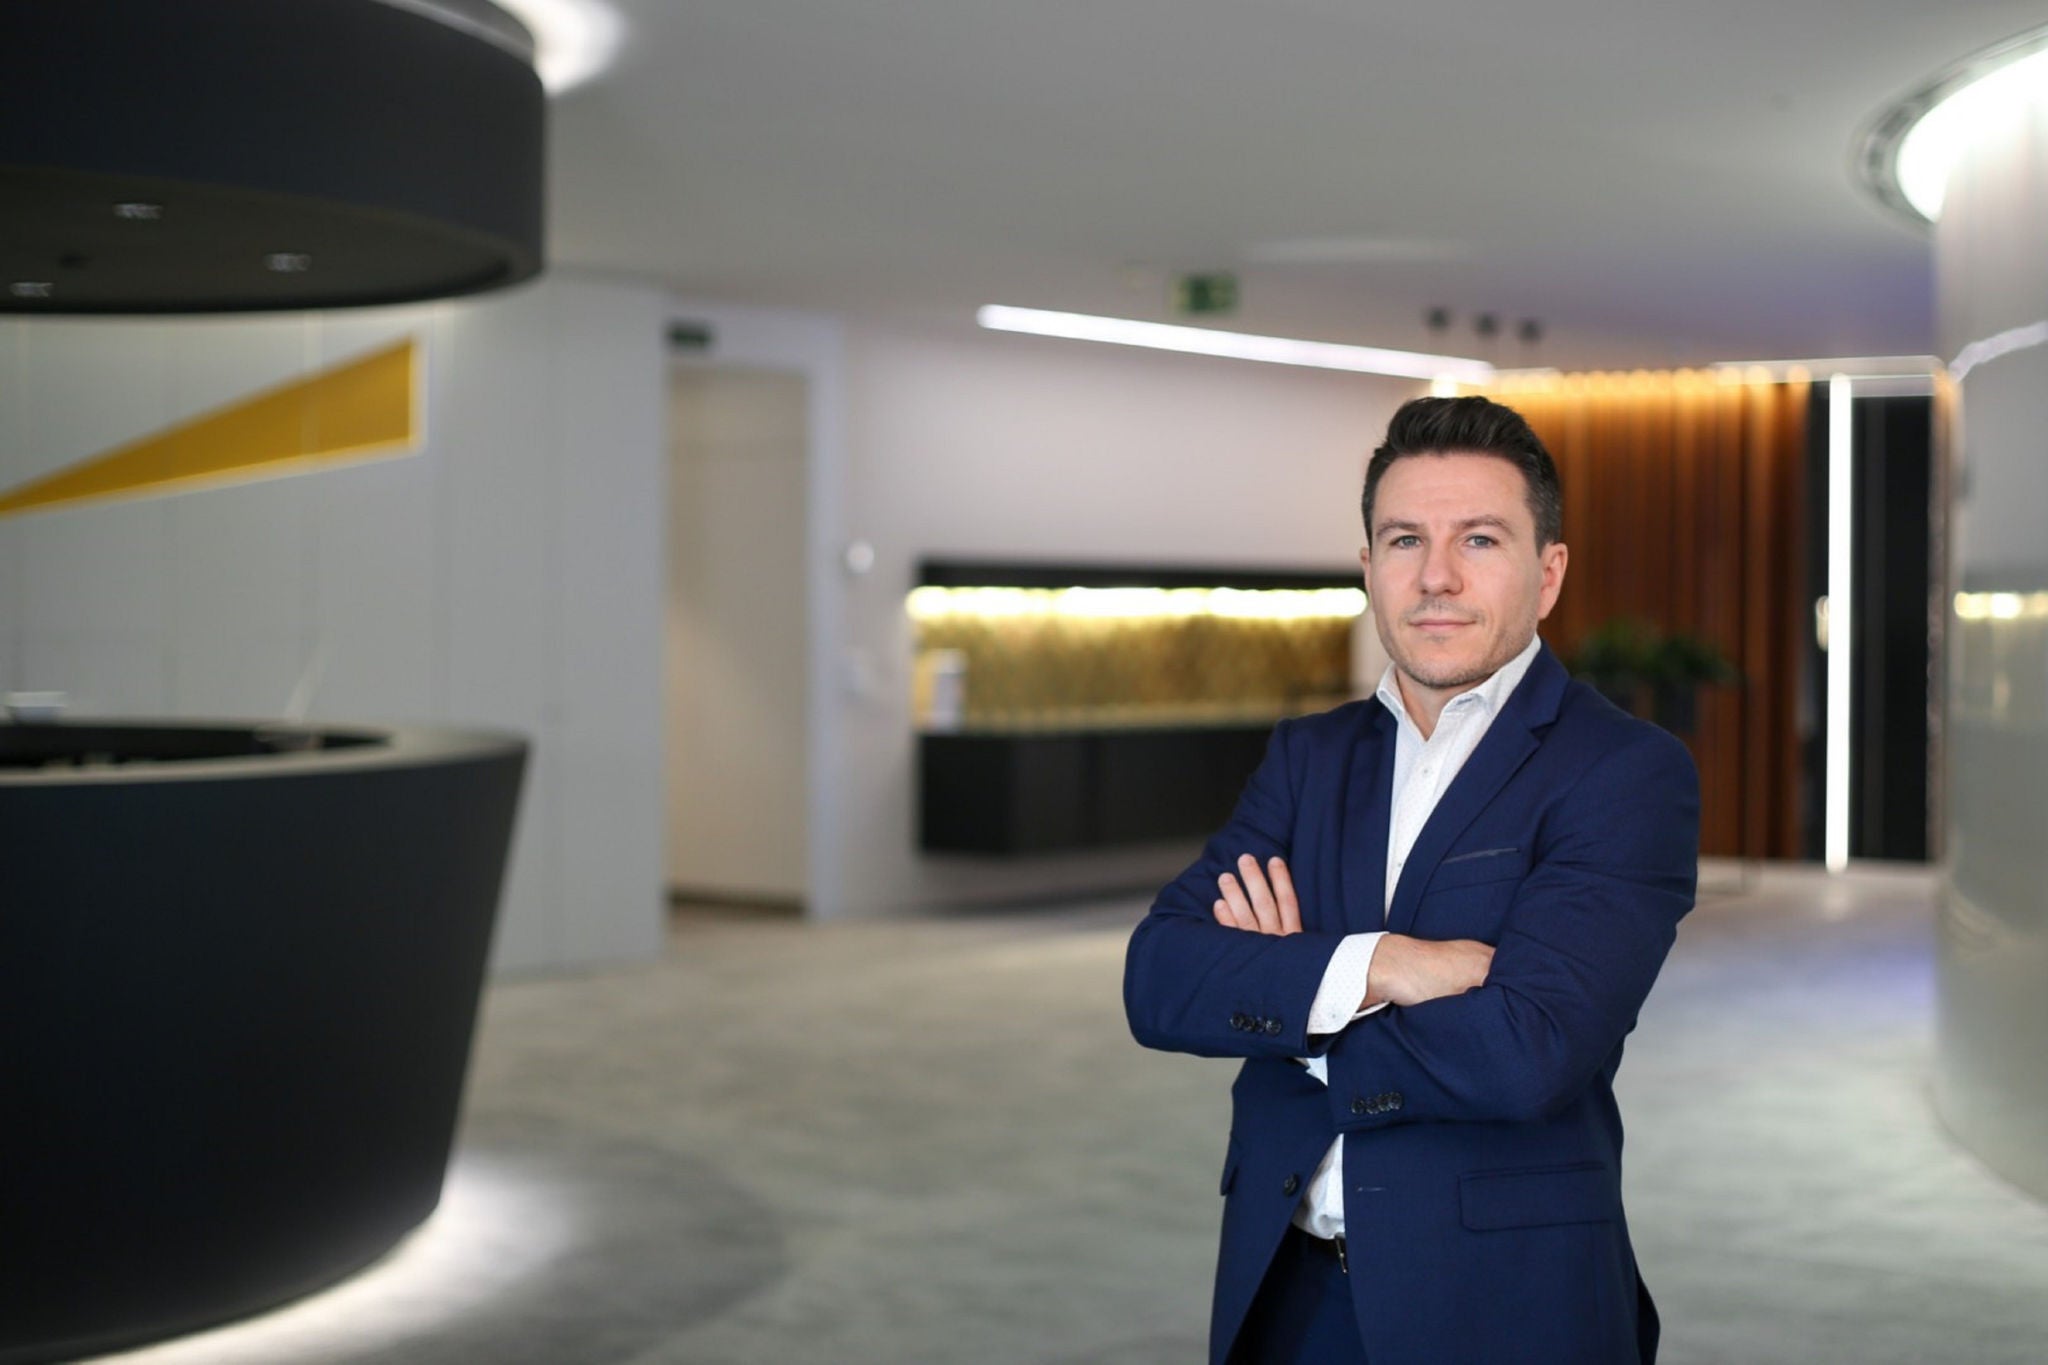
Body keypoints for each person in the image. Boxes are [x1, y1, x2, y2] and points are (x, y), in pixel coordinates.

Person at [1124, 395, 1699, 1365]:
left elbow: (1529, 1047)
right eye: (1404, 541)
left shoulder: (1621, 770)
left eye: (1478, 539)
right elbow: (1160, 977)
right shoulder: (1309, 758)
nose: (1435, 576)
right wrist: (1380, 964)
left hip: (1498, 1304)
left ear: (1548, 573)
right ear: (1368, 568)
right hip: (1287, 1293)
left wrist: (1294, 998)